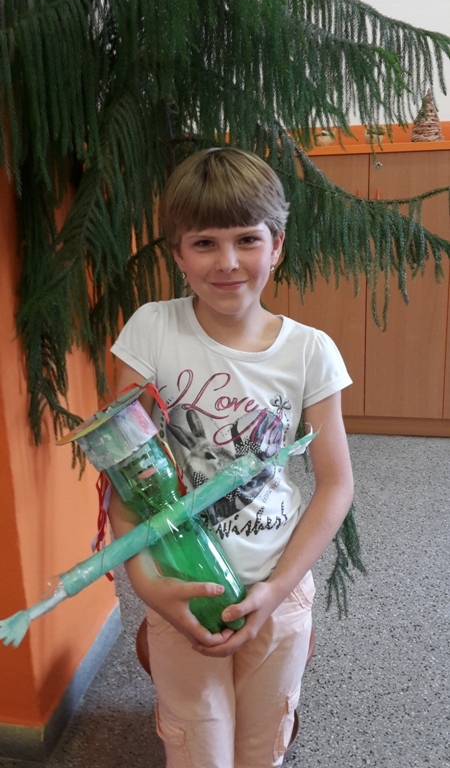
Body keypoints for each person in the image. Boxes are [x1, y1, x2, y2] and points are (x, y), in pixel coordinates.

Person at [108, 147, 354, 768]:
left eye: (247, 239)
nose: (227, 262)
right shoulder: (150, 331)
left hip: (277, 586)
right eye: (204, 243)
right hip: (181, 589)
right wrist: (150, 588)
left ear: (276, 245)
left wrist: (277, 590)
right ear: (177, 254)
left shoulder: (310, 352)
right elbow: (127, 479)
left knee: (261, 743)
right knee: (197, 745)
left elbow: (335, 485)